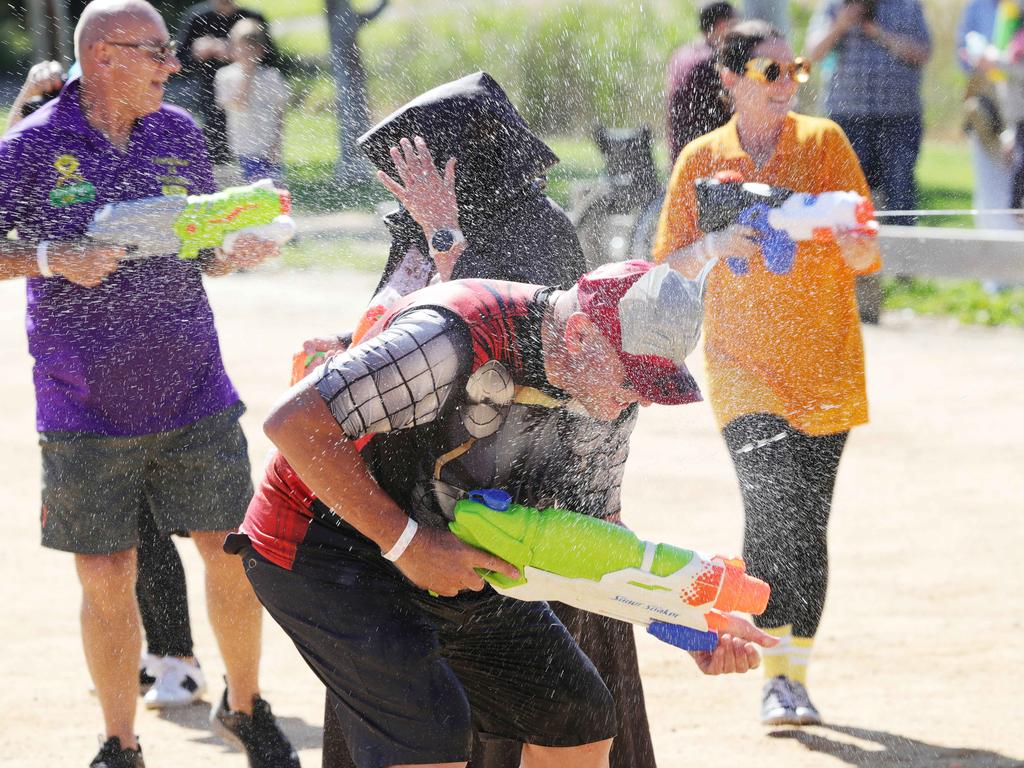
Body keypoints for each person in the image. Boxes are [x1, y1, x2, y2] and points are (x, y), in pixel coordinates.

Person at [231, 251, 774, 768]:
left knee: (578, 717)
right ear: (582, 333)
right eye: (634, 377)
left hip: (448, 556)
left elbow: (598, 541)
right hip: (322, 549)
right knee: (431, 733)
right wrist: (407, 544)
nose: (643, 398)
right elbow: (293, 423)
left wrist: (689, 619)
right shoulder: (449, 335)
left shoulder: (606, 393)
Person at [303, 71, 655, 768]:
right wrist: (351, 349)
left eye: (415, 161)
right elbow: (411, 329)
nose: (398, 179)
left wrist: (443, 231)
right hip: (412, 508)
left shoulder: (536, 230)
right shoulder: (416, 227)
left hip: (510, 515)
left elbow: (497, 343)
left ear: (460, 162)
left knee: (531, 716)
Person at [0, 2, 298, 766]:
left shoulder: (179, 133)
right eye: (157, 51)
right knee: (108, 571)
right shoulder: (34, 145)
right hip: (82, 401)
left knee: (231, 551)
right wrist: (47, 259)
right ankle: (120, 741)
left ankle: (245, 703)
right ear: (104, 56)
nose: (174, 64)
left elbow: (193, 244)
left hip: (192, 387)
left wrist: (228, 254)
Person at [651, 20, 882, 728]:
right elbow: (667, 265)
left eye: (796, 71)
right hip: (742, 368)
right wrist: (719, 241)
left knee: (806, 523)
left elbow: (869, 260)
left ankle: (793, 672)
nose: (788, 85)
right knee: (773, 510)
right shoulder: (700, 159)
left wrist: (852, 246)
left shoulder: (825, 144)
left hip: (827, 366)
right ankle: (774, 681)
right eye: (771, 72)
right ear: (729, 80)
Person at [806, 0, 931, 218]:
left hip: (899, 118)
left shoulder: (907, 5)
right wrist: (840, 25)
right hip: (847, 118)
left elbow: (923, 52)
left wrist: (878, 32)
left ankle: (902, 250)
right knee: (844, 199)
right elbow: (813, 53)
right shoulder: (834, 6)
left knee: (900, 195)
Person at [177, 0, 278, 178]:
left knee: (254, 155)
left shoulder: (252, 17)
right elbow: (178, 64)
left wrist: (233, 54)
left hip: (253, 101)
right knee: (217, 157)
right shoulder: (198, 18)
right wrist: (196, 52)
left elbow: (272, 59)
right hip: (211, 99)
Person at [957, 0, 1022, 230]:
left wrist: (998, 62)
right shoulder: (977, 7)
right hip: (991, 108)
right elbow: (962, 56)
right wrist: (976, 58)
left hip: (1017, 109)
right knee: (989, 189)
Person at [214, 17, 289, 185]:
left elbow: (280, 112)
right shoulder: (226, 76)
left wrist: (277, 144)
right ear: (233, 49)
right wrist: (247, 74)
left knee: (277, 192)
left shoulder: (271, 76)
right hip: (244, 148)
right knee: (255, 193)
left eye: (250, 49)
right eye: (241, 49)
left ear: (261, 50)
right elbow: (238, 103)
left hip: (268, 148)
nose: (246, 54)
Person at [665, 1, 737, 165]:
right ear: (722, 25)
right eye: (736, 24)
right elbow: (735, 113)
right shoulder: (712, 61)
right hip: (706, 160)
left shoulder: (680, 55)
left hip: (678, 155)